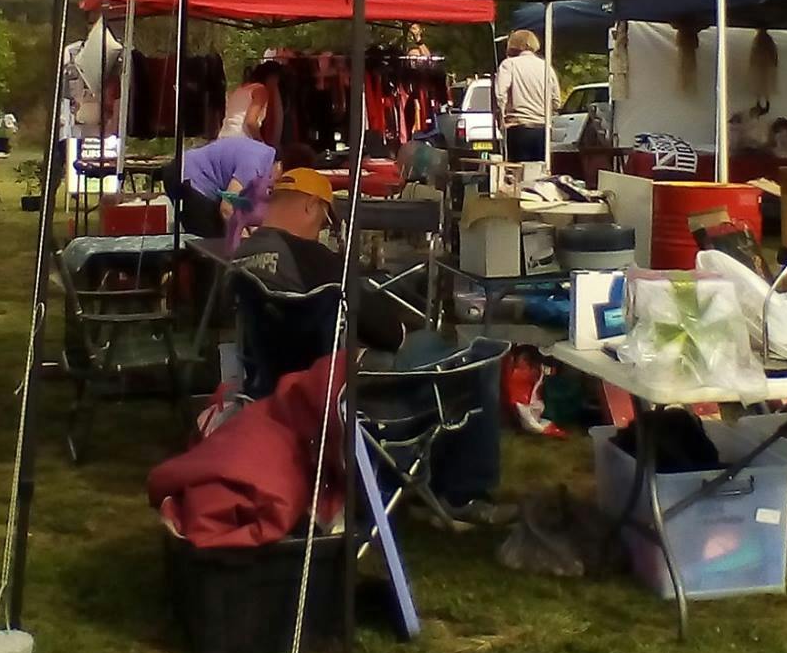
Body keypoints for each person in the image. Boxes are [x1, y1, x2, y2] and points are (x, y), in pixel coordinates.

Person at [234, 168, 506, 523]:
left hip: (279, 394)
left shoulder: (242, 258)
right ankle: (463, 494)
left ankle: (419, 480)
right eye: (325, 220)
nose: (322, 231)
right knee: (476, 357)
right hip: (350, 399)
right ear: (311, 207)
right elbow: (390, 333)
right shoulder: (316, 261)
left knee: (429, 345)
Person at [179, 82, 277, 239]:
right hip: (243, 141)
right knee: (218, 228)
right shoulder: (261, 90)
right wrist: (260, 141)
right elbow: (251, 121)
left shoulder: (240, 90)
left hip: (226, 142)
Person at [493, 28, 559, 163]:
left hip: (518, 127)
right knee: (539, 172)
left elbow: (500, 95)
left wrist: (502, 116)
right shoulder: (546, 67)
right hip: (542, 128)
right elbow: (556, 100)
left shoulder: (509, 64)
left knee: (518, 173)